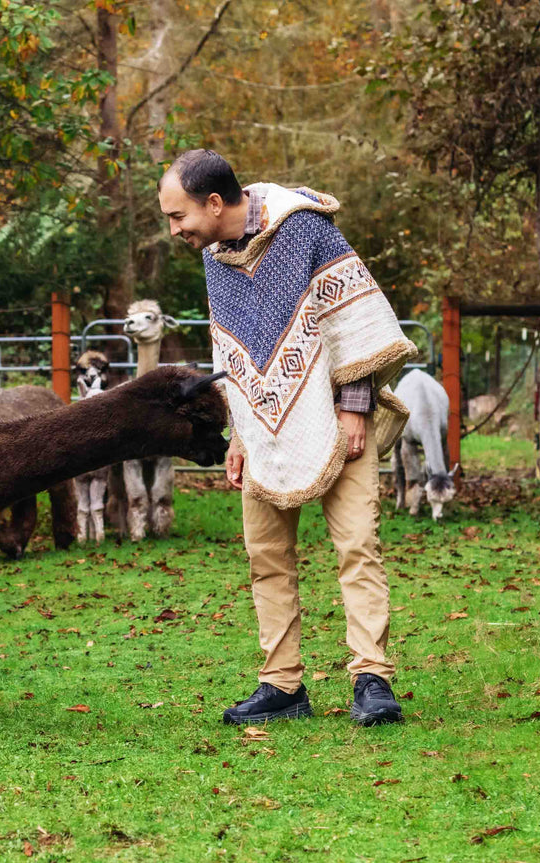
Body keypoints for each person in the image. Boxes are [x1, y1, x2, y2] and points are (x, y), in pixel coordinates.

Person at [158, 149, 416, 726]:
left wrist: (354, 407)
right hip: (263, 431)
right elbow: (234, 350)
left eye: (178, 217)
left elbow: (354, 319)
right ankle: (282, 686)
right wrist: (239, 437)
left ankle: (372, 679)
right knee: (267, 557)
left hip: (336, 414)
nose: (175, 230)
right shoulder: (215, 258)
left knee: (357, 547)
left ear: (215, 203)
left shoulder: (302, 228)